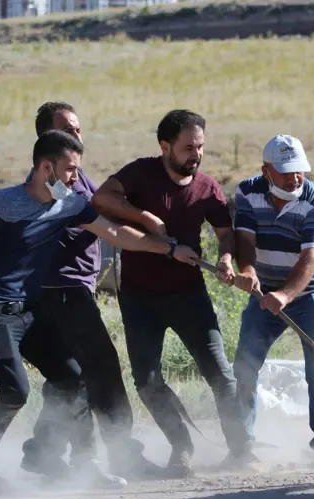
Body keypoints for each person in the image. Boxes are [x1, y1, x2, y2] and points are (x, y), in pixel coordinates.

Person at [0, 130, 198, 497]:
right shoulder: (4, 204)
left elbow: (114, 234)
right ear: (45, 166)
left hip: (30, 313)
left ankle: (71, 463)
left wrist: (167, 249)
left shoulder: (66, 203)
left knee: (74, 379)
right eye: (70, 169)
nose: (75, 177)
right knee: (14, 391)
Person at [90, 109, 248, 478]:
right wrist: (146, 217)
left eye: (201, 146)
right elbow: (102, 199)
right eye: (188, 147)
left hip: (189, 295)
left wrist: (226, 258)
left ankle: (241, 449)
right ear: (165, 146)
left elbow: (226, 232)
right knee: (147, 381)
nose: (196, 154)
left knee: (221, 375)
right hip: (139, 299)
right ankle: (183, 446)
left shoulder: (207, 187)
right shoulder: (141, 173)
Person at [18, 101, 164, 485]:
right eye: (68, 129)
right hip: (60, 292)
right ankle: (110, 459)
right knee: (97, 373)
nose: (78, 135)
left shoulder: (73, 175)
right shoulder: (53, 184)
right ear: (47, 138)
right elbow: (106, 226)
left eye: (79, 128)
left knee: (69, 377)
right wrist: (159, 241)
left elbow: (104, 209)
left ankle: (42, 453)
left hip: (71, 290)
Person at [231, 134, 314, 468]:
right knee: (245, 364)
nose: (295, 178)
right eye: (286, 172)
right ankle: (241, 447)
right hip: (263, 291)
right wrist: (248, 270)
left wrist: (285, 295)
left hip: (312, 292)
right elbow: (245, 239)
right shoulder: (247, 191)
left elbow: (310, 258)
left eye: (299, 170)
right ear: (266, 170)